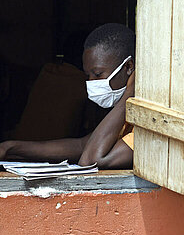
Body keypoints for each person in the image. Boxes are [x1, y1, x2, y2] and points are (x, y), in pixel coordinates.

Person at [0, 23, 135, 169]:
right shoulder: (125, 113)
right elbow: (82, 145)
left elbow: (91, 159)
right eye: (88, 75)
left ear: (128, 67)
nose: (91, 83)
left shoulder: (146, 119)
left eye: (97, 74)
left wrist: (130, 93)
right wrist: (9, 147)